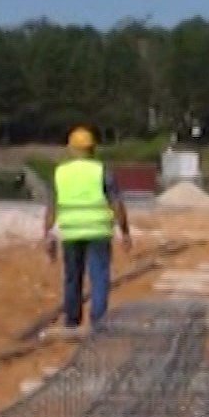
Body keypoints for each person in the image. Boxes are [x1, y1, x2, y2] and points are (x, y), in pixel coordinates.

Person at [41, 126, 133, 335]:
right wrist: (125, 232)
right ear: (93, 149)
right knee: (99, 277)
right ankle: (97, 322)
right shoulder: (101, 171)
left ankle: (72, 321)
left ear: (70, 149)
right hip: (98, 232)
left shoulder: (60, 173)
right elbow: (117, 203)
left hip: (71, 232)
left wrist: (47, 235)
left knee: (72, 277)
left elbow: (51, 207)